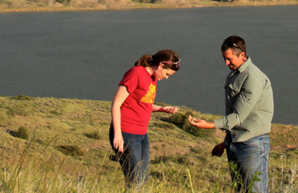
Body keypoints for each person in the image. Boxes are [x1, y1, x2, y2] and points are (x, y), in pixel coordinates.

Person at [188, 36, 274, 193]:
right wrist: (225, 142)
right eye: (224, 59)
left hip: (252, 144)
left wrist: (209, 124)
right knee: (240, 189)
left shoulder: (252, 78)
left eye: (229, 59)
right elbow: (235, 115)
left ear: (241, 54)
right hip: (236, 142)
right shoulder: (235, 74)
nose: (226, 63)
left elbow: (238, 117)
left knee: (255, 190)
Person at [110, 49, 181, 188]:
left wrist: (162, 109)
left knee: (142, 178)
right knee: (134, 179)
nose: (166, 77)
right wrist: (118, 134)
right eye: (167, 74)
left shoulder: (153, 78)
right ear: (161, 66)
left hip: (142, 134)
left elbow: (143, 103)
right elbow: (116, 104)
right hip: (126, 133)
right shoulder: (136, 73)